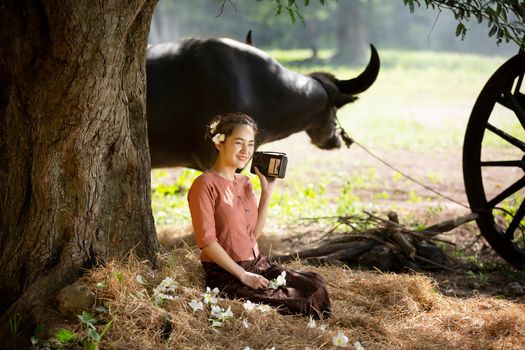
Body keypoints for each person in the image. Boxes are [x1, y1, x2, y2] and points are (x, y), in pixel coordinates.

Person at [187, 112, 331, 319]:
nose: (246, 151)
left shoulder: (244, 182)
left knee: (315, 285)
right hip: (228, 273)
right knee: (300, 301)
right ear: (220, 144)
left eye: (251, 144)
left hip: (258, 263)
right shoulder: (204, 184)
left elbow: (254, 234)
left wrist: (267, 192)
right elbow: (207, 242)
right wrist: (243, 275)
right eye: (238, 143)